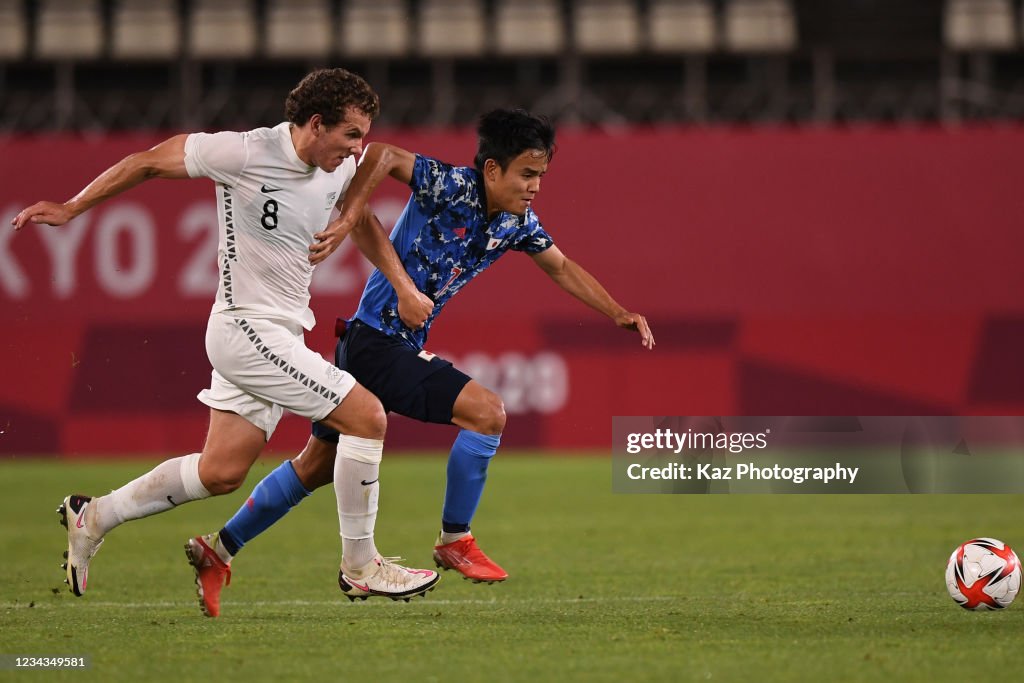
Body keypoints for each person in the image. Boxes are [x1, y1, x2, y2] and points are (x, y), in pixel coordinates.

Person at [186, 108, 656, 616]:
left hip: (379, 345)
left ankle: (220, 548)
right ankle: (455, 538)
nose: (535, 186)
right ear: (493, 169)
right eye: (526, 173)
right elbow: (384, 154)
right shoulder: (454, 186)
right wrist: (350, 215)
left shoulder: (518, 224)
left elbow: (561, 267)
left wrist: (617, 312)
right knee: (487, 412)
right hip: (376, 343)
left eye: (540, 175)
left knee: (315, 467)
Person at [9, 68, 440, 617]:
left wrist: (401, 285)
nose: (360, 148)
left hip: (277, 332)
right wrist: (72, 208)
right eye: (352, 135)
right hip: (244, 328)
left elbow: (359, 219)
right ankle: (360, 567)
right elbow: (147, 160)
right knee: (367, 417)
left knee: (221, 473)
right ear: (315, 124)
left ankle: (92, 516)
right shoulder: (243, 152)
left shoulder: (340, 166)